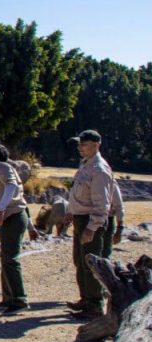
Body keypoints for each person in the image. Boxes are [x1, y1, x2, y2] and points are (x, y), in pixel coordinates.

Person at [64, 130, 114, 320]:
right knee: (80, 261)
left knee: (91, 263)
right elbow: (77, 192)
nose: (80, 148)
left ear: (96, 145)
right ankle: (86, 299)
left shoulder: (99, 169)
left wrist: (92, 228)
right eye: (79, 144)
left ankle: (94, 304)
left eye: (83, 144)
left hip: (90, 220)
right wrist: (70, 212)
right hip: (80, 217)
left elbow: (102, 204)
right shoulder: (86, 165)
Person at [0, 144, 29, 313]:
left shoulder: (1, 166)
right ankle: (8, 297)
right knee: (6, 257)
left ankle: (19, 299)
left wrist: (1, 208)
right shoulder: (2, 168)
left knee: (11, 258)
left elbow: (11, 186)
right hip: (13, 217)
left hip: (12, 216)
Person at [106, 178, 125, 259]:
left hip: (106, 221)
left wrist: (119, 229)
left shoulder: (110, 181)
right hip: (87, 220)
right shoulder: (85, 177)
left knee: (104, 253)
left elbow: (119, 206)